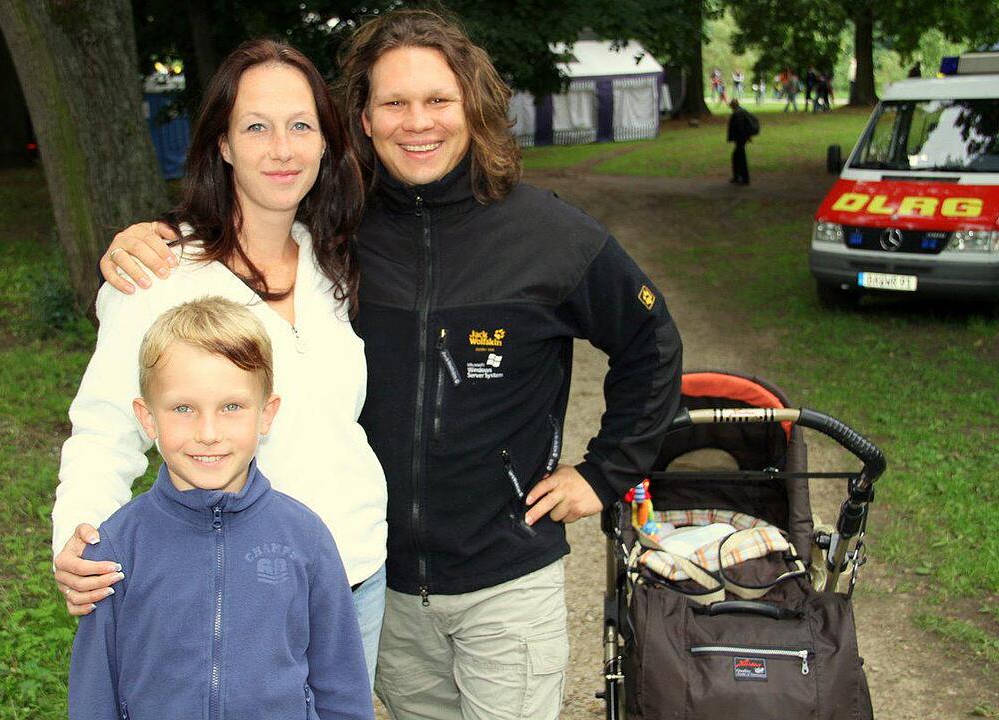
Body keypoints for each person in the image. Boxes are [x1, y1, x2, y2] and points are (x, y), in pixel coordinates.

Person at [101, 9, 683, 720]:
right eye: (394, 103)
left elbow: (651, 342)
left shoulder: (550, 234)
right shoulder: (339, 232)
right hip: (384, 585)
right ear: (365, 121)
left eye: (438, 100)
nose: (418, 122)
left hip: (506, 582)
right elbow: (249, 216)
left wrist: (605, 472)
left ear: (473, 106)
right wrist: (157, 240)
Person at [51, 39, 389, 682]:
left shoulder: (332, 260)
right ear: (223, 145)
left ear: (325, 142)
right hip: (233, 589)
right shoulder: (162, 274)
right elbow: (102, 429)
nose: (282, 149)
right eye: (256, 127)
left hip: (355, 577)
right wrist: (80, 537)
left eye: (300, 126)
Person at [68, 297, 373, 720]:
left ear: (266, 414)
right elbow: (93, 692)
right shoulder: (119, 546)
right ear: (148, 417)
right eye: (183, 409)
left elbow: (342, 686)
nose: (208, 433)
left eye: (231, 407)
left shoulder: (306, 538)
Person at [728, 98, 752, 185]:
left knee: (740, 158)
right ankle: (737, 176)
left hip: (740, 139)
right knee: (737, 157)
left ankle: (743, 178)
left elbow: (740, 127)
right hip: (742, 139)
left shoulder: (737, 114)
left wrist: (740, 138)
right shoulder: (741, 111)